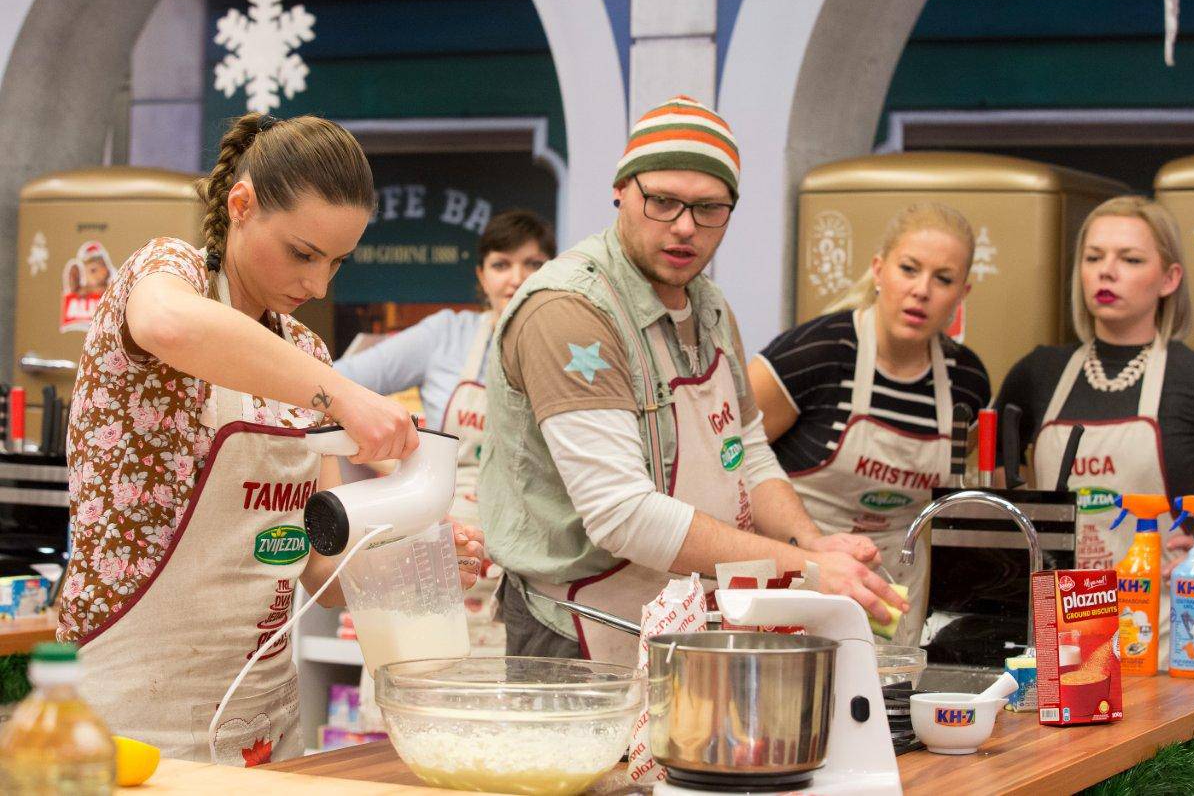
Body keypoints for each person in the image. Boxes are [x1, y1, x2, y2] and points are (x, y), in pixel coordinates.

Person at [59, 112, 483, 763]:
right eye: (303, 253)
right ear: (242, 204)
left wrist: (403, 558)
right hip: (131, 712)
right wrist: (340, 392)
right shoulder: (169, 272)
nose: (317, 285)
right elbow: (167, 323)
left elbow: (318, 565)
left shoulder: (305, 350)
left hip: (265, 719)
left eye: (337, 262)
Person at [479, 95, 907, 665]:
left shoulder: (709, 308)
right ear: (621, 191)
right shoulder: (568, 312)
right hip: (576, 632)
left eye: (710, 208)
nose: (685, 227)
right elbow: (621, 514)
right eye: (663, 201)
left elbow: (746, 451)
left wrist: (810, 540)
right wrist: (804, 569)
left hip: (684, 616)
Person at [996, 195, 1194, 669]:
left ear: (1169, 278)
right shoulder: (1038, 373)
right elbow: (1000, 476)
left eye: (1130, 259)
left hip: (1172, 633)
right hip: (1058, 633)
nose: (1107, 271)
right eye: (1094, 257)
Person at [748, 202, 991, 645]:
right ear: (879, 270)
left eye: (943, 279)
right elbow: (727, 454)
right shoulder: (815, 353)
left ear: (963, 294)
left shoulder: (967, 381)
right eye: (909, 269)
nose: (922, 290)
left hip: (897, 596)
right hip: (797, 584)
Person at [334, 210, 553, 654]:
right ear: (481, 274)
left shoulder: (560, 348)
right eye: (501, 264)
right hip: (435, 535)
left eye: (533, 264)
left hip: (523, 557)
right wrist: (398, 458)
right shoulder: (446, 335)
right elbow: (334, 383)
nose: (516, 278)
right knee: (421, 681)